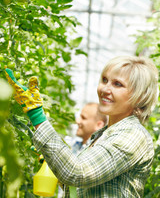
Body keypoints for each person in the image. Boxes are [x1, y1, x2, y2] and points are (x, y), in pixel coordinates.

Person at [5, 55, 159, 198]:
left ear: (139, 96)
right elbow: (86, 186)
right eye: (104, 80)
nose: (105, 89)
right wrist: (53, 161)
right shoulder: (103, 135)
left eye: (117, 84)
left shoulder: (133, 135)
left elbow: (78, 173)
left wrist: (36, 115)